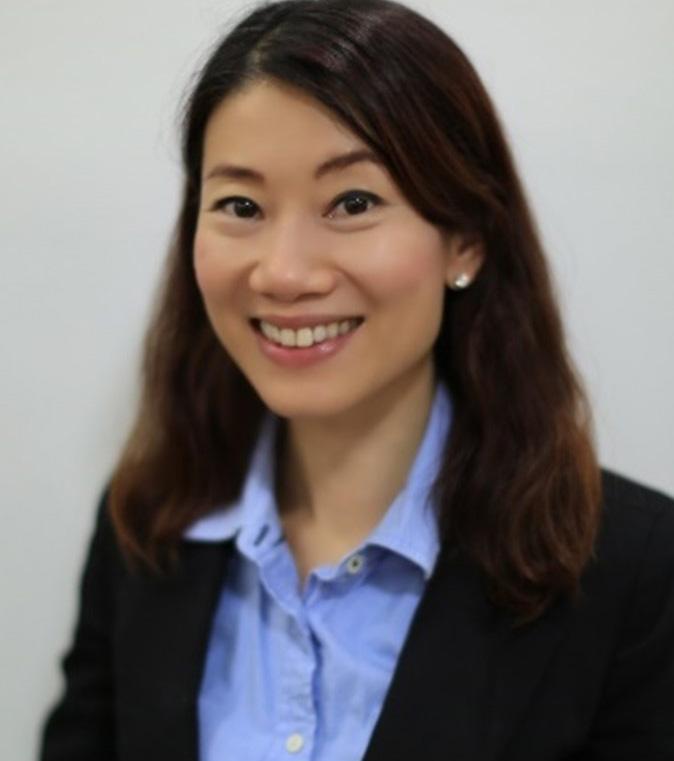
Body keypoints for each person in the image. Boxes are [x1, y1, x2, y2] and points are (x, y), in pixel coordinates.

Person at [38, 1, 674, 759]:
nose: (284, 273)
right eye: (241, 205)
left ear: (465, 238)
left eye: (353, 203)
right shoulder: (145, 529)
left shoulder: (634, 574)